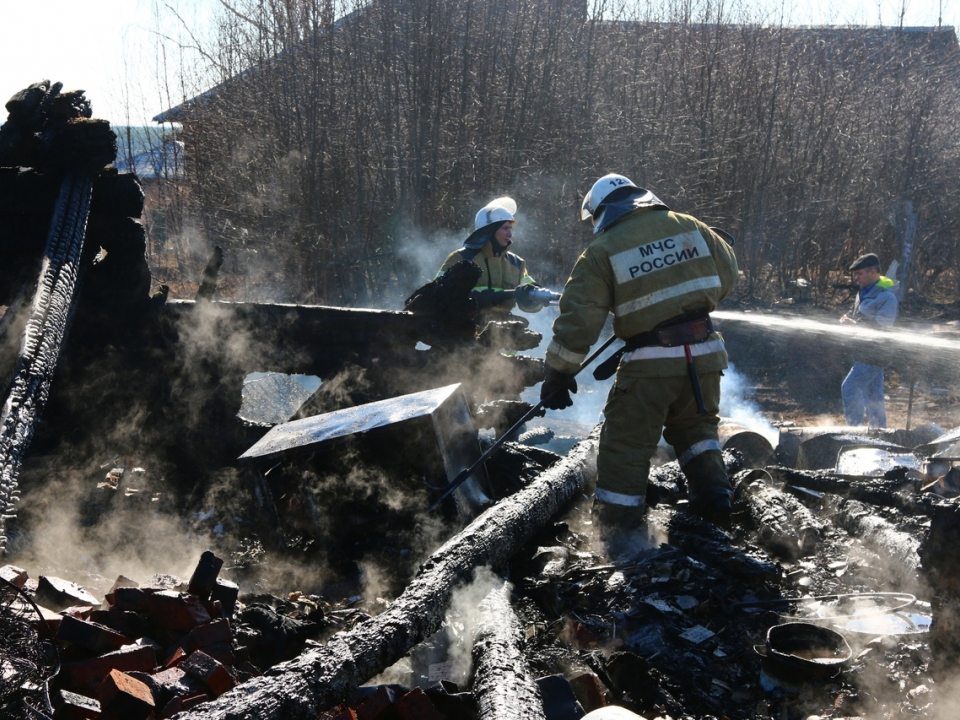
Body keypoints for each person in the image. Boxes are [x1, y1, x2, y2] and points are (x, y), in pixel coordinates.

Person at [540, 173, 739, 542]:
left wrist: (557, 373)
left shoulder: (602, 251)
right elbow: (727, 276)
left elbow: (579, 319)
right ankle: (716, 505)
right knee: (697, 432)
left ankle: (618, 532)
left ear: (602, 211)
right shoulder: (691, 225)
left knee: (625, 446)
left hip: (650, 364)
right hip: (706, 355)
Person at [436, 197, 545, 321]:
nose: (509, 234)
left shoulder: (516, 263)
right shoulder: (462, 258)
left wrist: (533, 299)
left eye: (510, 229)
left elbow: (533, 303)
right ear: (489, 231)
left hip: (503, 331)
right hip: (464, 328)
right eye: (505, 229)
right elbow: (436, 295)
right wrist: (476, 299)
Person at [840, 253, 898, 427]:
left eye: (859, 274)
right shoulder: (864, 293)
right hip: (862, 353)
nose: (856, 278)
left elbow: (883, 328)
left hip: (874, 355)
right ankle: (880, 433)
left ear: (873, 272)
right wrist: (847, 318)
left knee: (849, 387)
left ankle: (854, 432)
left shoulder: (887, 297)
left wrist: (855, 323)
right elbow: (857, 314)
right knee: (874, 397)